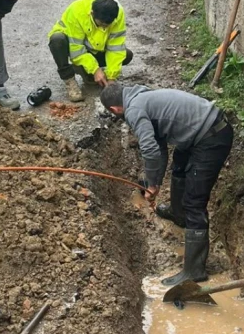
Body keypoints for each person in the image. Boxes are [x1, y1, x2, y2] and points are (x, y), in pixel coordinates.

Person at [100, 84, 233, 285]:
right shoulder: (141, 96)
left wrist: (151, 186)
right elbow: (159, 146)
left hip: (212, 137)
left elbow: (150, 150)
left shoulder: (134, 110)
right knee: (179, 165)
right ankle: (178, 215)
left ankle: (194, 271)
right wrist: (156, 182)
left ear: (114, 109)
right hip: (200, 131)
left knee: (194, 202)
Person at [49, 0, 133, 102]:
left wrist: (112, 77)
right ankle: (69, 79)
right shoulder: (77, 12)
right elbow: (76, 50)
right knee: (57, 40)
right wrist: (95, 70)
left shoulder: (117, 14)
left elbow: (115, 48)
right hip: (72, 47)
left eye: (107, 25)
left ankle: (83, 69)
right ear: (92, 13)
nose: (104, 27)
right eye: (101, 24)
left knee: (126, 55)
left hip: (95, 48)